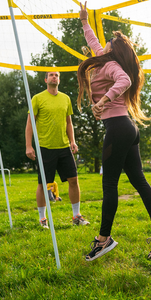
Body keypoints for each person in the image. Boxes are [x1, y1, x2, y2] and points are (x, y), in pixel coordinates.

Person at [77, 2, 151, 261]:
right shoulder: (103, 60)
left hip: (119, 128)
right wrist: (85, 21)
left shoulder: (110, 66)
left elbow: (125, 80)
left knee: (109, 184)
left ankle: (103, 240)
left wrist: (102, 100)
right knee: (138, 180)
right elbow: (93, 41)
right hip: (126, 127)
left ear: (113, 51)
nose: (103, 43)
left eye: (108, 42)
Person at [25, 71, 89, 229]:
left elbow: (69, 123)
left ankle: (76, 216)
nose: (54, 77)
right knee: (43, 183)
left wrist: (72, 141)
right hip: (45, 148)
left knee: (73, 180)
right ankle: (42, 219)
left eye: (57, 75)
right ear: (46, 79)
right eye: (51, 75)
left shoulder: (65, 98)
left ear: (59, 80)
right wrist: (28, 145)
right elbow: (29, 124)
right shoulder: (37, 98)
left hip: (64, 147)